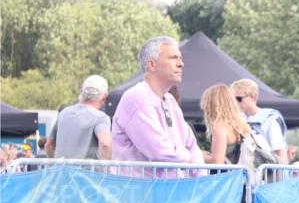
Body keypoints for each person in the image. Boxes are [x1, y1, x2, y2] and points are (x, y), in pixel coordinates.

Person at [111, 36, 204, 175]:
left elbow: (190, 143)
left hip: (167, 192)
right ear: (152, 65)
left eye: (180, 58)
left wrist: (198, 174)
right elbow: (160, 151)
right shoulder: (137, 97)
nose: (181, 64)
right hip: (139, 193)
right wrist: (189, 160)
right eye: (173, 58)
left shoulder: (170, 101)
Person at [46, 75, 113, 160]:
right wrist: (105, 169)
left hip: (62, 171)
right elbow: (105, 143)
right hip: (87, 172)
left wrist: (53, 165)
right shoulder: (100, 118)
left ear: (82, 91)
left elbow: (49, 144)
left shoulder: (64, 113)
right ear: (104, 96)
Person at [230, 78, 289, 164]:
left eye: (238, 99)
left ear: (252, 97)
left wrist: (280, 177)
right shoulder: (236, 120)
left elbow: (280, 154)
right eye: (232, 99)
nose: (235, 102)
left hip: (266, 174)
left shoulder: (269, 119)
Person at [201, 84, 249, 165]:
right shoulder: (239, 125)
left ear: (210, 105)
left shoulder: (220, 128)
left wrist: (201, 156)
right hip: (242, 174)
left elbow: (217, 162)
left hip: (228, 176)